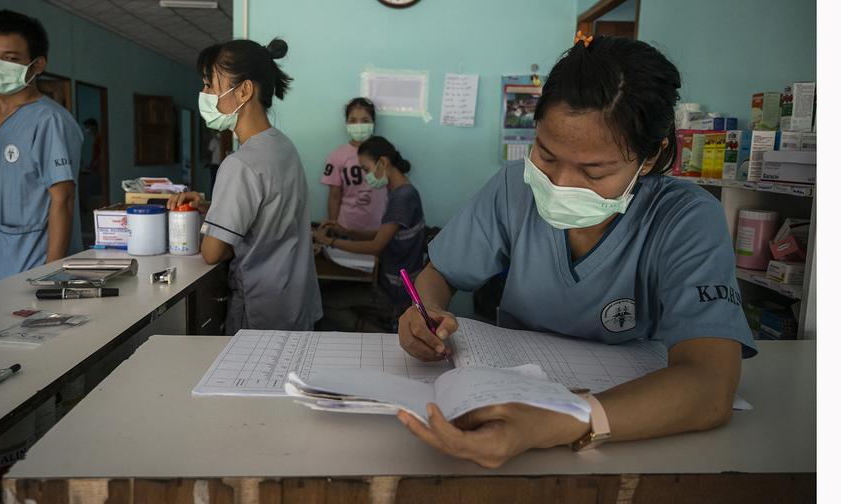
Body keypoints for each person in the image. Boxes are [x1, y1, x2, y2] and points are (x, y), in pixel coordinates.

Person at [395, 34, 757, 468]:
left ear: (648, 158)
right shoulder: (513, 188)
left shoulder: (686, 218)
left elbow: (709, 387)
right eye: (546, 157)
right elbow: (441, 273)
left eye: (594, 171)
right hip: (510, 396)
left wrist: (554, 423)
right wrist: (426, 309)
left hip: (637, 430)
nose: (561, 184)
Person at [167, 37, 322, 333]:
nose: (205, 94)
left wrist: (209, 227)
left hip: (261, 310)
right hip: (295, 302)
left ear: (244, 91)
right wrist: (212, 207)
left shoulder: (240, 163)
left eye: (210, 85)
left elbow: (213, 252)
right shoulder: (282, 146)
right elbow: (268, 213)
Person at [0, 10, 83, 282]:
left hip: (40, 272)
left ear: (36, 65)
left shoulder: (49, 120)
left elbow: (64, 200)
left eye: (10, 59)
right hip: (1, 271)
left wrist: (51, 277)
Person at [313, 136, 426, 331]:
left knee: (326, 301)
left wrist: (328, 241)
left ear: (382, 162)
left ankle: (382, 336)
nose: (366, 176)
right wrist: (348, 232)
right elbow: (384, 234)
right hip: (391, 279)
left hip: (396, 291)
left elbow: (376, 246)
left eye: (366, 169)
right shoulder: (401, 192)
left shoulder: (403, 197)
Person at [319, 98, 387, 232]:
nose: (359, 125)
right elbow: (334, 194)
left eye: (365, 120)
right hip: (347, 224)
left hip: (380, 225)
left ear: (373, 123)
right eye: (353, 120)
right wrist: (333, 224)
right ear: (346, 123)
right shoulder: (337, 155)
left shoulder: (384, 151)